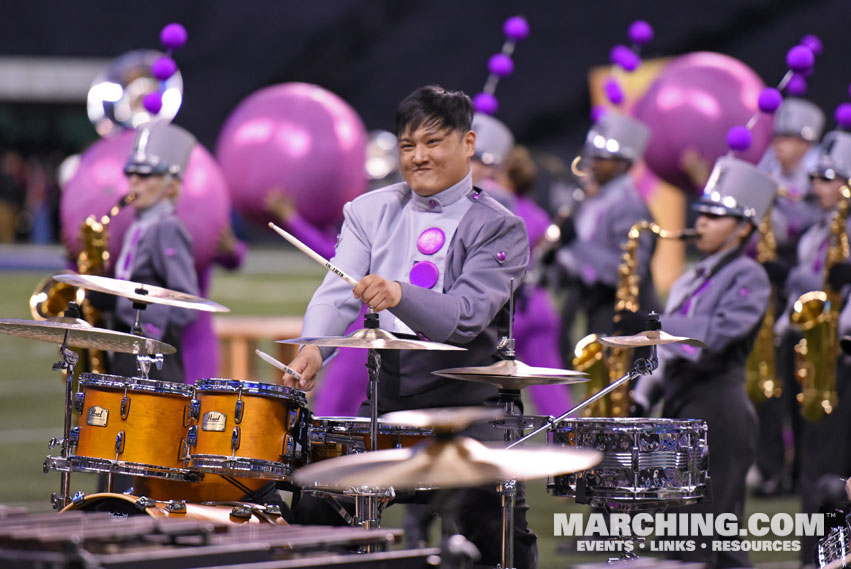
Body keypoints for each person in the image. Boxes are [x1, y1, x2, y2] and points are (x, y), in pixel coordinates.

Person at [286, 85, 536, 568]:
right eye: (407, 146)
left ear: (467, 144)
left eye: (433, 142)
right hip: (389, 400)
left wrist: (399, 292)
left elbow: (465, 316)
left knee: (493, 531)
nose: (418, 157)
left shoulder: (500, 226)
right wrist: (313, 349)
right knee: (318, 501)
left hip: (471, 410)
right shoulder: (369, 211)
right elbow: (339, 289)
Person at [630, 156, 776, 568]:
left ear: (743, 227)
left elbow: (719, 333)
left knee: (712, 534)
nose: (703, 223)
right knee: (680, 533)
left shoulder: (748, 275)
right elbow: (671, 350)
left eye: (717, 216)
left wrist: (655, 322)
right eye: (703, 214)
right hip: (680, 405)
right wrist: (643, 396)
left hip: (720, 410)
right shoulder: (692, 277)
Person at [775, 130, 851, 565]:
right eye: (818, 177)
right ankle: (817, 553)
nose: (817, 186)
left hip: (843, 355)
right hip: (818, 355)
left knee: (828, 463)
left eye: (828, 177)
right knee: (816, 460)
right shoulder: (816, 233)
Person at [469, 112, 571, 416]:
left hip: (507, 312)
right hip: (539, 305)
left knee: (486, 396)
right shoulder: (537, 213)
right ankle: (573, 452)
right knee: (553, 398)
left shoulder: (492, 200)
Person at [752, 98, 826, 498]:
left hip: (807, 283)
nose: (780, 146)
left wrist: (774, 197)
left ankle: (803, 468)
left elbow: (815, 222)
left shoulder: (820, 176)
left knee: (804, 383)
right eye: (777, 137)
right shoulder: (768, 167)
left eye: (789, 139)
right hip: (772, 280)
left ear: (806, 142)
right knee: (769, 378)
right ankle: (771, 467)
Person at [554, 112, 658, 358]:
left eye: (602, 158)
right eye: (593, 156)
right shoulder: (596, 199)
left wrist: (575, 246)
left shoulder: (628, 204)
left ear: (624, 162)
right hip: (593, 307)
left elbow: (630, 271)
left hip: (619, 317)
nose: (592, 163)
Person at [107, 122, 201, 383]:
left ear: (170, 187)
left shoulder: (168, 227)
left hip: (153, 352)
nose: (134, 181)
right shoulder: (139, 225)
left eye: (145, 176)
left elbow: (187, 304)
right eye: (132, 173)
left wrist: (120, 302)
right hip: (131, 343)